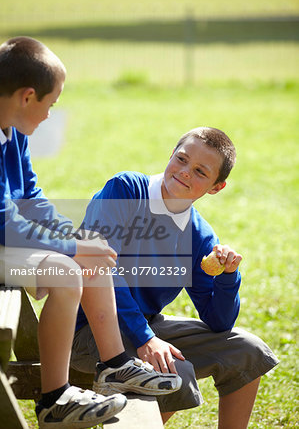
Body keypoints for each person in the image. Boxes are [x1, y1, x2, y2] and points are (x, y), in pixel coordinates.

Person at [0, 37, 181, 429]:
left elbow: (29, 197)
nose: (50, 114)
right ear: (28, 97)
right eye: (52, 103)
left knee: (94, 251)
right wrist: (70, 247)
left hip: (6, 240)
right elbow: (7, 223)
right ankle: (54, 399)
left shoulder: (13, 130)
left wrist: (77, 237)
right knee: (69, 269)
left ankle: (114, 365)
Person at [71, 126, 279, 428]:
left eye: (200, 172)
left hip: (145, 326)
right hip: (90, 332)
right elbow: (100, 271)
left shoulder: (198, 235)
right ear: (171, 153)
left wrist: (228, 276)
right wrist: (145, 338)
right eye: (181, 159)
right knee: (174, 373)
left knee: (248, 350)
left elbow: (219, 321)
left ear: (216, 187)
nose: (185, 172)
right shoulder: (126, 190)